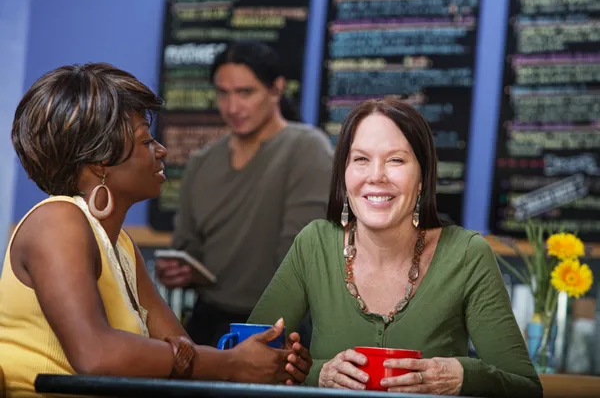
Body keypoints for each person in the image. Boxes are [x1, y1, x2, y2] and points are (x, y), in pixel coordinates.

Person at [0, 63, 311, 396]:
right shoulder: (56, 221)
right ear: (100, 160)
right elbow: (96, 354)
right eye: (146, 141)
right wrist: (233, 364)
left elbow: (185, 357)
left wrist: (263, 361)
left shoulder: (118, 243)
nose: (160, 150)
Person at [248, 98, 543, 397]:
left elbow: (526, 388)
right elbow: (248, 360)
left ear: (422, 179)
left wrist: (463, 376)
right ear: (343, 175)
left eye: (396, 160)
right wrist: (319, 375)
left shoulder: (467, 254)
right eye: (361, 159)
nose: (376, 176)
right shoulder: (314, 243)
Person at [155, 41, 333, 347]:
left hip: (278, 323)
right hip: (207, 322)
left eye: (245, 92)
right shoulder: (201, 163)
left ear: (276, 89)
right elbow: (188, 246)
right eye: (223, 93)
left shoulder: (306, 149)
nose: (233, 107)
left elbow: (299, 260)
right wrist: (178, 270)